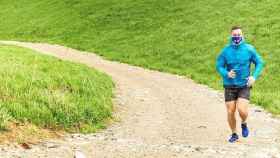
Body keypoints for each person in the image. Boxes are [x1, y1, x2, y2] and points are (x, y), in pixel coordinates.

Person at [216, 26, 264, 143]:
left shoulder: (249, 49)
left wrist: (254, 76)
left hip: (244, 84)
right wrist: (226, 73)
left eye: (239, 35)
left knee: (242, 110)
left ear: (242, 35)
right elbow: (219, 66)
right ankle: (234, 133)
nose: (237, 37)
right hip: (229, 85)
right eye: (234, 35)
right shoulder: (225, 51)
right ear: (231, 36)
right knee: (230, 111)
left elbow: (260, 62)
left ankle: (244, 123)